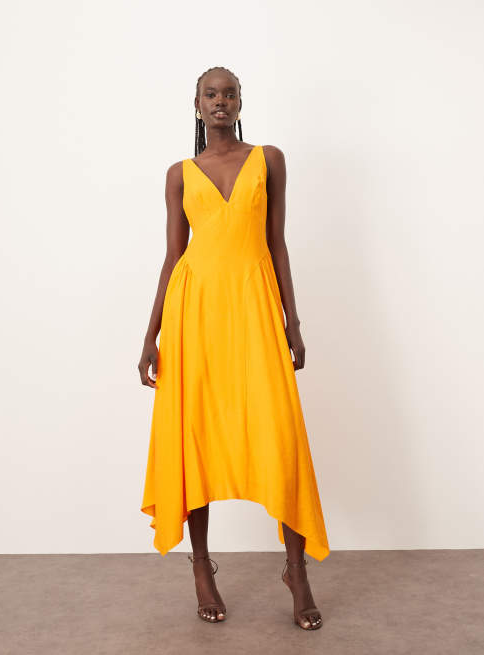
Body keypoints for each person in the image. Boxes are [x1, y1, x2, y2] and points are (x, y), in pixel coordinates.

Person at [138, 66, 329, 630]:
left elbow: (277, 245)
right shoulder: (179, 174)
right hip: (194, 316)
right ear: (196, 104)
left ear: (241, 102)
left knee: (279, 435)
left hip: (253, 310)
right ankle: (202, 568)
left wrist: (293, 321)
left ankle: (296, 571)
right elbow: (174, 257)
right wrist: (150, 334)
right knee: (193, 435)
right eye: (211, 94)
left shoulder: (269, 160)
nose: (220, 101)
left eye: (230, 93)